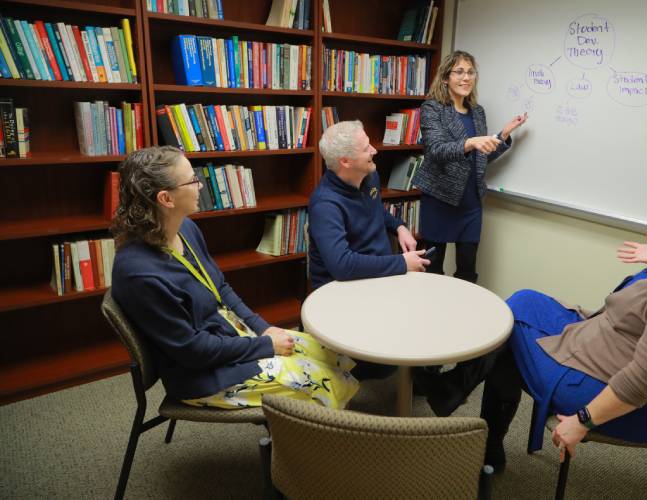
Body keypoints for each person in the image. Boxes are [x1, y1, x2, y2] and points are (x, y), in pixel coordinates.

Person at [427, 155, 647, 472]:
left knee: (511, 332)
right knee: (524, 301)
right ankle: (473, 424)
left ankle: (469, 417)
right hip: (612, 350)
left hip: (643, 406)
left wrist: (583, 421)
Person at [110, 146, 358, 410]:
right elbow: (192, 351)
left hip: (232, 336)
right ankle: (314, 443)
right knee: (324, 379)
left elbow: (220, 288)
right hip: (205, 374)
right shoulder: (139, 274)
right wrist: (264, 346)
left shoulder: (185, 228)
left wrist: (263, 328)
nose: (200, 187)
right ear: (166, 199)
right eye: (192, 180)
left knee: (334, 352)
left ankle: (316, 428)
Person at [308, 120, 429, 379]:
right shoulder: (325, 204)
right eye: (366, 148)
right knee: (389, 363)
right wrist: (402, 264)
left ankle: (423, 382)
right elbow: (342, 265)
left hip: (376, 276)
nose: (374, 150)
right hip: (343, 290)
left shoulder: (368, 175)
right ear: (345, 161)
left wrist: (399, 227)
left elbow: (375, 211)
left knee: (425, 317)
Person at [412, 50, 527, 283]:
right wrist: (470, 142)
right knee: (432, 271)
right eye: (459, 72)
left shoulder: (477, 111)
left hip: (471, 203)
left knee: (467, 271)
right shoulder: (432, 108)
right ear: (446, 77)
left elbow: (480, 157)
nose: (466, 78)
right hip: (440, 199)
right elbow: (436, 150)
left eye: (471, 72)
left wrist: (503, 135)